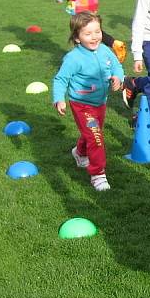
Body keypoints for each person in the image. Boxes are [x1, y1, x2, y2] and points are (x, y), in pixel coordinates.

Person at [52, 12, 124, 192]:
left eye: (97, 31)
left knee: (92, 133)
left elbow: (116, 65)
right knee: (96, 137)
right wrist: (59, 99)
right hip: (82, 105)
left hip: (100, 102)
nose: (94, 37)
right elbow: (60, 79)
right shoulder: (73, 58)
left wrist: (117, 76)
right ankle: (98, 174)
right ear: (77, 38)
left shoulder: (105, 50)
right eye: (88, 33)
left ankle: (80, 152)